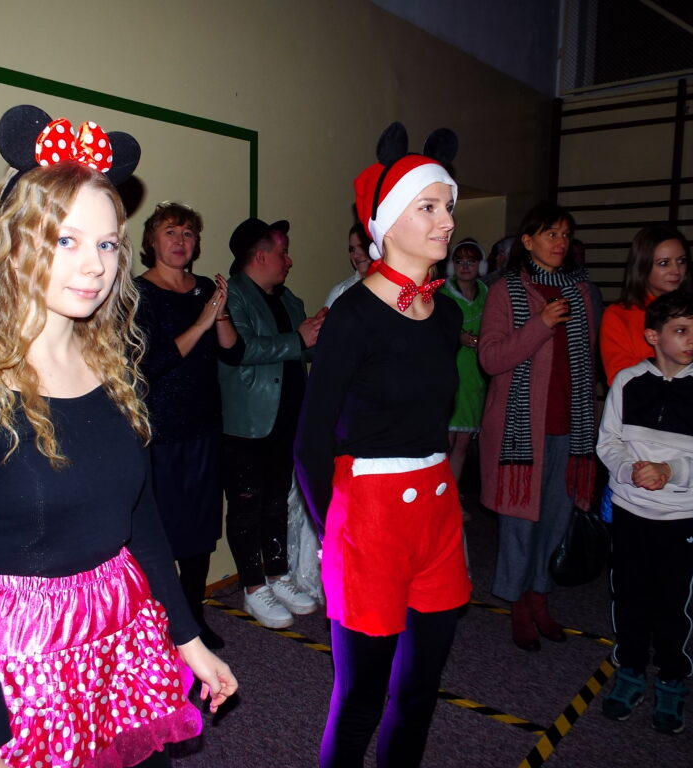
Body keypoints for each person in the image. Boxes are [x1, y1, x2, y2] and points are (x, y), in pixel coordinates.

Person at [0, 105, 235, 768]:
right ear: (12, 246)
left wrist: (188, 639)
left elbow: (141, 520)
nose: (93, 265)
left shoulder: (114, 373)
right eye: (64, 240)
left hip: (121, 648)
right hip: (21, 676)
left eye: (106, 243)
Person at [295, 122, 471, 768]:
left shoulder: (448, 315)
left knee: (420, 692)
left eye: (448, 206)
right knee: (362, 698)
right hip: (368, 518)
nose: (446, 221)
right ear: (388, 222)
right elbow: (310, 439)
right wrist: (333, 530)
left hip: (438, 512)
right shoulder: (352, 317)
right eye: (428, 207)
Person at [597, 291, 693, 736]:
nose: (692, 340)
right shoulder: (627, 381)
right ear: (653, 336)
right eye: (681, 331)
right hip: (630, 512)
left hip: (681, 518)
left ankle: (672, 678)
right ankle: (630, 670)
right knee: (629, 597)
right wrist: (630, 470)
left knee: (672, 604)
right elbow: (608, 442)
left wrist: (670, 471)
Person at [478, 203, 599, 652]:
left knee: (555, 520)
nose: (561, 242)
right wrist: (541, 324)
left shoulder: (582, 291)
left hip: (570, 425)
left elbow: (589, 361)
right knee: (519, 523)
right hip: (520, 432)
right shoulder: (504, 290)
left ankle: (540, 595)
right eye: (551, 234)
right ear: (528, 242)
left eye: (566, 234)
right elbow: (491, 359)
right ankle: (518, 603)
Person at [134, 201, 243, 649]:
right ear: (152, 241)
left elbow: (233, 352)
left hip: (204, 428)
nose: (180, 241)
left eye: (188, 234)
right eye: (170, 232)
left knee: (200, 535)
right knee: (159, 537)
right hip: (160, 433)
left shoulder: (205, 289)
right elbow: (150, 363)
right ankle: (159, 629)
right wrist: (201, 322)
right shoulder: (138, 294)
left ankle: (193, 621)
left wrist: (220, 312)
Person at [219, 217, 323, 628]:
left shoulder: (288, 299)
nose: (289, 260)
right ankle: (252, 586)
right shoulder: (232, 296)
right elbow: (241, 349)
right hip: (247, 423)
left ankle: (278, 576)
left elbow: (302, 351)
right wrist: (299, 339)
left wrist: (322, 335)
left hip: (287, 420)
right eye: (283, 252)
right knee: (247, 505)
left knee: (277, 500)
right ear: (260, 256)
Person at [600, 225, 693, 387]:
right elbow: (620, 378)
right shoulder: (619, 314)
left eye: (681, 261)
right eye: (664, 263)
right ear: (642, 266)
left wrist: (691, 344)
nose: (676, 270)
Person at [439, 239, 487, 495]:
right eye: (459, 261)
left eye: (471, 261)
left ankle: (452, 497)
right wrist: (458, 338)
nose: (465, 266)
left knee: (463, 444)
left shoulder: (488, 294)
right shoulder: (442, 293)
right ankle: (438, 500)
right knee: (444, 443)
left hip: (475, 376)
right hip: (449, 372)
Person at [324, 222, 372, 308]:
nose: (355, 255)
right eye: (352, 249)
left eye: (361, 246)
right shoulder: (340, 291)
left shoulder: (393, 286)